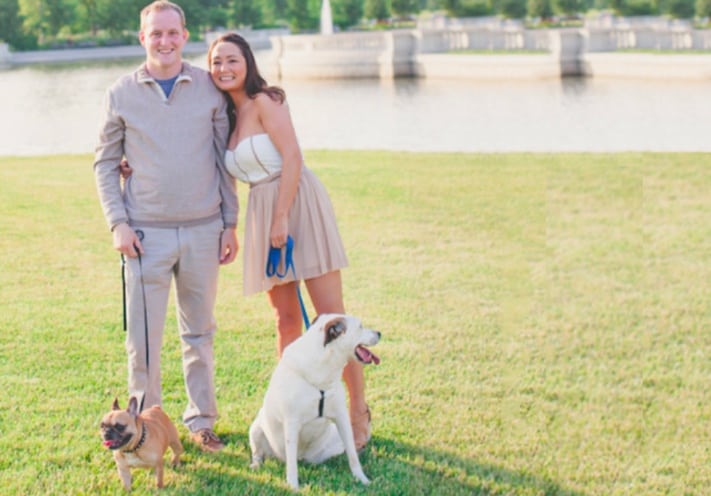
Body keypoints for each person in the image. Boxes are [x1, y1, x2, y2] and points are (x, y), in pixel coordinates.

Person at [206, 32, 373, 450]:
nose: (224, 68)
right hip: (262, 212)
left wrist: (282, 217)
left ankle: (357, 410)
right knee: (285, 321)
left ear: (247, 61)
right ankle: (291, 413)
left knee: (331, 317)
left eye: (231, 60)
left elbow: (293, 156)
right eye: (216, 62)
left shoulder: (268, 100)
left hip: (295, 202)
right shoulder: (227, 117)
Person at [93, 0, 238, 453]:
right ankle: (146, 428)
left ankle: (201, 421)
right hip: (144, 236)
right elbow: (103, 164)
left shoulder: (209, 89)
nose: (165, 40)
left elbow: (223, 161)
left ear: (184, 34)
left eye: (172, 32)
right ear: (143, 38)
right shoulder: (120, 93)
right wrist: (118, 224)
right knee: (144, 343)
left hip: (203, 229)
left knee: (200, 332)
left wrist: (230, 223)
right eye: (155, 33)